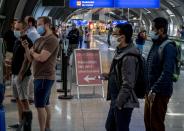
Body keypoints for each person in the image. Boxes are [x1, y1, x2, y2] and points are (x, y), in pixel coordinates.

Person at [22, 16, 59, 131]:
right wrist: (27, 49)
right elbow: (30, 58)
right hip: (38, 76)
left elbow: (42, 58)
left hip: (45, 77)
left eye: (39, 24)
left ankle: (43, 129)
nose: (37, 27)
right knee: (45, 104)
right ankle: (47, 127)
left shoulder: (52, 40)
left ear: (47, 25)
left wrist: (33, 53)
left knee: (39, 106)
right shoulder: (39, 40)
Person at [103, 23, 140, 131]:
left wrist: (119, 103)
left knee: (121, 128)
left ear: (122, 37)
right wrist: (110, 76)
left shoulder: (129, 56)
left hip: (123, 102)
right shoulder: (120, 51)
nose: (112, 36)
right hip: (117, 99)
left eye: (114, 34)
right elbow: (121, 73)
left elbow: (128, 83)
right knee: (110, 127)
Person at [144, 17, 177, 131]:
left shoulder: (168, 47)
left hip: (159, 93)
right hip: (150, 91)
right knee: (148, 123)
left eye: (153, 28)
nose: (151, 31)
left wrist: (155, 89)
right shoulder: (156, 44)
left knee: (156, 124)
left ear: (161, 30)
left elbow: (167, 72)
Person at [10, 20, 33, 130]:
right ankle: (21, 122)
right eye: (15, 28)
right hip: (14, 74)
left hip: (22, 76)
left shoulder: (27, 41)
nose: (16, 31)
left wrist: (21, 74)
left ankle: (27, 126)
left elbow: (29, 60)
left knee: (24, 100)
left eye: (18, 29)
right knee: (18, 100)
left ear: (24, 30)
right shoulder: (17, 41)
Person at [24, 16, 40, 104]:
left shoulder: (32, 33)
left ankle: (31, 97)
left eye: (25, 22)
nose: (24, 24)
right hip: (29, 57)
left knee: (30, 77)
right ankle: (29, 96)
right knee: (29, 77)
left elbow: (34, 47)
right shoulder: (30, 32)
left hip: (31, 58)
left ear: (30, 23)